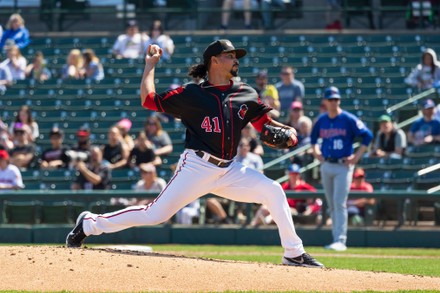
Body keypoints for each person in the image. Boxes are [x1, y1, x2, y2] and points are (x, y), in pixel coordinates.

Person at [66, 39, 324, 268]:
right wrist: (150, 65)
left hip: (229, 169)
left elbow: (262, 124)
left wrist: (284, 129)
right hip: (197, 166)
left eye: (236, 56)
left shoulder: (246, 93)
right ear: (214, 60)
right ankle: (90, 223)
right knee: (155, 215)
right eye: (230, 55)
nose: (236, 60)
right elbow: (148, 100)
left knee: (273, 190)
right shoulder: (192, 94)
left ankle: (294, 253)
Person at [311, 86, 373, 252]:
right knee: (332, 204)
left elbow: (367, 135)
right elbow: (313, 139)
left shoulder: (348, 118)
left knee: (339, 203)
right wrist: (316, 153)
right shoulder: (322, 120)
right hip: (327, 165)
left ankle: (341, 240)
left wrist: (356, 157)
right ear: (325, 101)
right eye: (330, 99)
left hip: (343, 166)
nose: (333, 102)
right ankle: (335, 239)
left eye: (336, 99)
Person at [251, 164, 321, 226]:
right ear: (289, 175)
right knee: (264, 207)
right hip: (282, 206)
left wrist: (311, 208)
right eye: (292, 174)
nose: (294, 176)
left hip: (295, 211)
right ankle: (253, 224)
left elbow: (318, 197)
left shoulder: (304, 186)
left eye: (296, 174)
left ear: (299, 175)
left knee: (283, 210)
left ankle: (266, 220)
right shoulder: (285, 186)